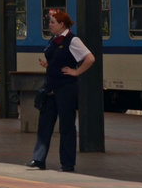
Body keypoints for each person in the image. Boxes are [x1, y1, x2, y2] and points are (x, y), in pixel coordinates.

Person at [28, 9, 95, 172]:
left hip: (66, 89)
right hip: (51, 88)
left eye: (52, 22)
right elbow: (56, 59)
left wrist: (76, 72)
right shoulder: (54, 40)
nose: (49, 25)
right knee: (45, 123)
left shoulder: (73, 40)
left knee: (66, 126)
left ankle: (67, 163)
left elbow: (90, 58)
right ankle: (38, 159)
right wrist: (49, 66)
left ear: (61, 24)